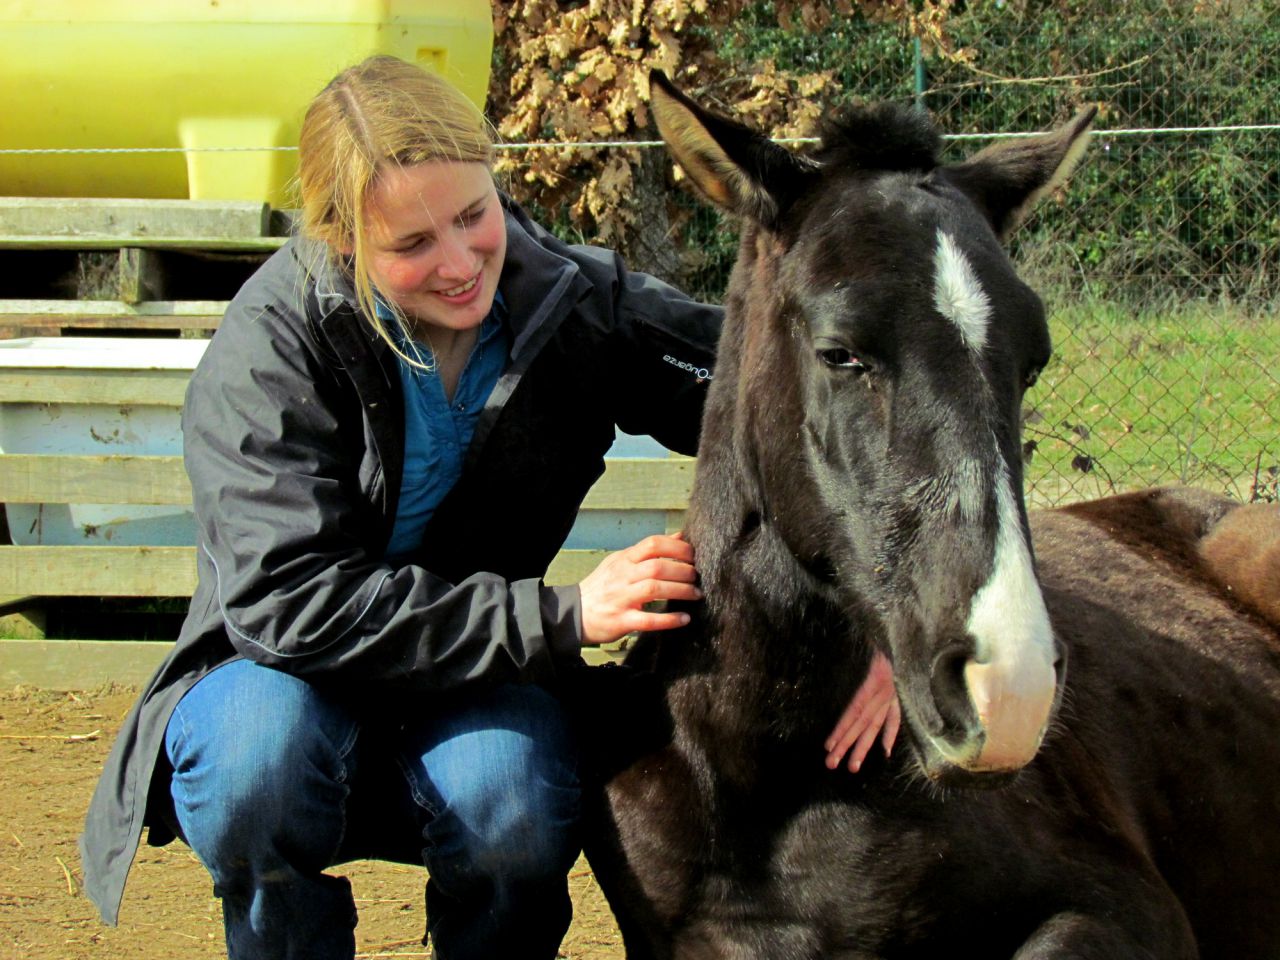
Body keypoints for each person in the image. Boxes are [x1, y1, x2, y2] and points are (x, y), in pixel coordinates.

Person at [79, 55, 898, 960]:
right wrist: (563, 616)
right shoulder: (270, 347)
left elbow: (809, 405)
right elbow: (289, 602)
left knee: (514, 799)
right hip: (282, 676)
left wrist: (889, 618)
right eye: (412, 244)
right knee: (253, 763)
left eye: (474, 215)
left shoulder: (575, 304)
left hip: (476, 683)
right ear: (341, 237)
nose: (461, 263)